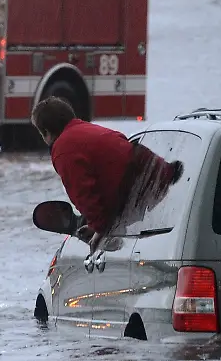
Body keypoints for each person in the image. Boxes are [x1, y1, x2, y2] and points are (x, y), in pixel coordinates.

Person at [32, 96, 184, 251]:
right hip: (158, 173)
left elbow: (82, 191)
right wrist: (95, 225)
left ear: (46, 132)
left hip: (139, 188)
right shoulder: (88, 130)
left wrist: (99, 228)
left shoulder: (63, 150)